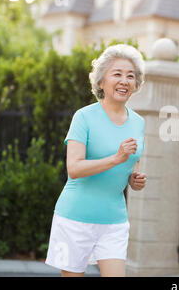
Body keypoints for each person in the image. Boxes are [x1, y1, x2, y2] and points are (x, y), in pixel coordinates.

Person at [45, 44, 147, 277]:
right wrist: (116, 157)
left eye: (130, 76)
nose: (125, 81)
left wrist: (134, 179)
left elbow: (132, 162)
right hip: (75, 218)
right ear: (101, 82)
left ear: (136, 84)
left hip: (114, 220)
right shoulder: (83, 117)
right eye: (117, 74)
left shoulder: (138, 122)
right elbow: (74, 168)